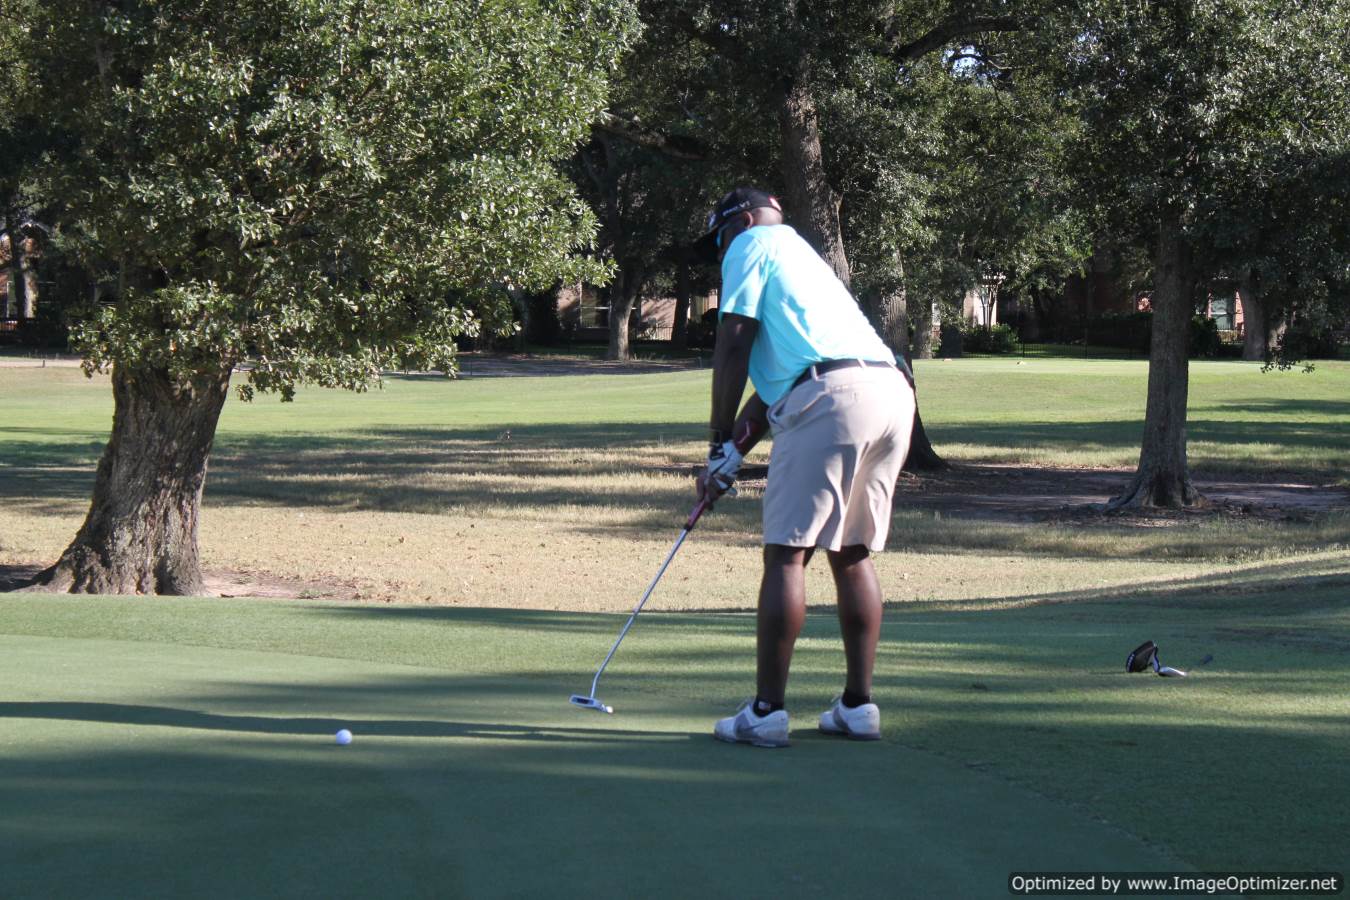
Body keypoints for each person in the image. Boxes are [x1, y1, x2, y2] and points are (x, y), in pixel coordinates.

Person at [693, 187, 916, 748]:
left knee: (787, 553)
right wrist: (733, 454)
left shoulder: (751, 243)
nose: (721, 250)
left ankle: (766, 712)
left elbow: (733, 341)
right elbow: (780, 386)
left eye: (720, 237)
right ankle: (858, 706)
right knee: (851, 550)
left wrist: (716, 436)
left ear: (740, 221)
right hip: (889, 392)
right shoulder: (802, 258)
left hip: (832, 398)